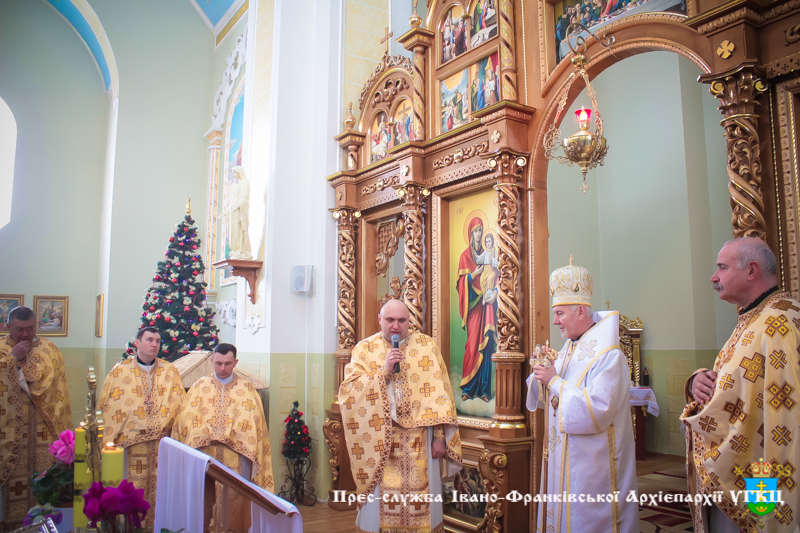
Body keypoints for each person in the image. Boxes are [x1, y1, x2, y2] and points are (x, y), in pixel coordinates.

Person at [681, 237, 799, 532]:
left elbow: (780, 420)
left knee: (761, 521)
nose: (714, 277)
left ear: (752, 270)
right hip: (746, 464)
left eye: (722, 267)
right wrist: (699, 381)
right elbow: (740, 385)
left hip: (761, 471)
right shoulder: (756, 318)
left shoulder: (777, 324)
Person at [525, 259, 638, 532]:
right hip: (562, 459)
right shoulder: (568, 348)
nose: (555, 321)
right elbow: (549, 397)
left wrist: (553, 380)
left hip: (591, 469)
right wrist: (540, 373)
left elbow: (596, 412)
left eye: (560, 313)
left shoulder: (608, 356)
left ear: (580, 311)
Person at [338, 299, 462, 533]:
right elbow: (349, 392)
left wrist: (439, 437)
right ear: (379, 320)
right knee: (379, 507)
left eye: (401, 320)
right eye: (390, 320)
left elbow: (441, 396)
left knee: (424, 504)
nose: (396, 326)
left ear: (409, 321)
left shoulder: (426, 347)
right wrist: (383, 372)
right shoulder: (364, 349)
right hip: (381, 441)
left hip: (422, 439)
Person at [172, 343, 273, 533]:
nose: (223, 368)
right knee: (203, 500)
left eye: (227, 363)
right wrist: (206, 434)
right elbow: (185, 419)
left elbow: (255, 422)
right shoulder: (200, 386)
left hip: (235, 456)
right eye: (218, 363)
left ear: (236, 362)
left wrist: (230, 435)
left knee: (235, 504)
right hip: (204, 455)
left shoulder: (247, 389)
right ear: (212, 361)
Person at [99, 327, 185, 529]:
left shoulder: (170, 371)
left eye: (157, 341)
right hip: (131, 448)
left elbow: (180, 405)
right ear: (137, 343)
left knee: (161, 494)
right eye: (149, 340)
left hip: (162, 447)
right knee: (132, 494)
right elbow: (108, 406)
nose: (154, 344)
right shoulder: (120, 372)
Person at [0, 306, 73, 531]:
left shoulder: (50, 350)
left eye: (30, 329)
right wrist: (12, 360)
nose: (25, 334)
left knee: (46, 483)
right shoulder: (2, 349)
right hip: (10, 433)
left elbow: (59, 393)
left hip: (44, 430)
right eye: (19, 329)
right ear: (7, 326)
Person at [457, 218, 496, 402]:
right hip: (473, 307)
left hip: (486, 305)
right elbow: (461, 285)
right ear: (470, 234)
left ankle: (484, 390)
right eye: (475, 231)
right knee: (472, 344)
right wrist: (474, 274)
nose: (479, 234)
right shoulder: (465, 256)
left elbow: (497, 274)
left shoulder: (488, 253)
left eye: (481, 230)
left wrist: (494, 292)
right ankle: (468, 388)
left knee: (487, 345)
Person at [227, 166, 252, 260]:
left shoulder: (245, 183)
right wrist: (227, 210)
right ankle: (237, 249)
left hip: (240, 211)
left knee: (239, 230)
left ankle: (242, 250)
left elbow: (244, 197)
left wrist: (238, 205)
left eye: (234, 173)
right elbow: (233, 199)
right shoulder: (237, 184)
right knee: (234, 231)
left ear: (239, 172)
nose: (233, 175)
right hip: (234, 212)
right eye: (232, 173)